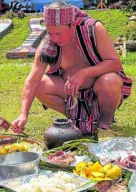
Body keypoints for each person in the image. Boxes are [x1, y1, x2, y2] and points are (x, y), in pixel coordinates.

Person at [12, 1, 132, 135]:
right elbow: (32, 80)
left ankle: (105, 123)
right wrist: (23, 114)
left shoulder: (93, 28)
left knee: (110, 80)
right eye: (50, 33)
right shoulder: (48, 44)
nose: (55, 38)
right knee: (40, 84)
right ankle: (75, 120)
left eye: (59, 33)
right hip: (72, 93)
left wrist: (84, 73)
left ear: (73, 25)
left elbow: (115, 63)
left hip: (101, 89)